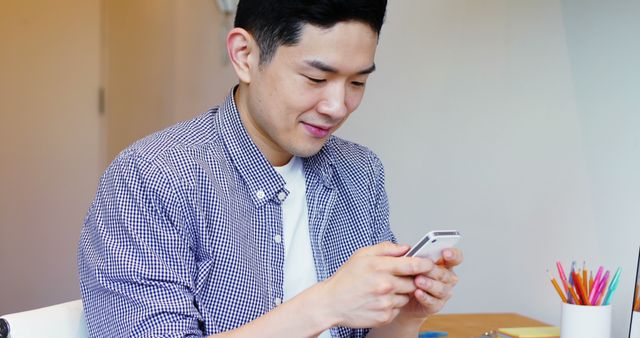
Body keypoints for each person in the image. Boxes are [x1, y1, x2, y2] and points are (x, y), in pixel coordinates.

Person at [78, 0, 463, 337]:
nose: (338, 106)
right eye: (316, 78)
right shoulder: (152, 177)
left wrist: (404, 319)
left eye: (357, 82)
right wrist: (325, 304)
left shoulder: (359, 171)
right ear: (245, 55)